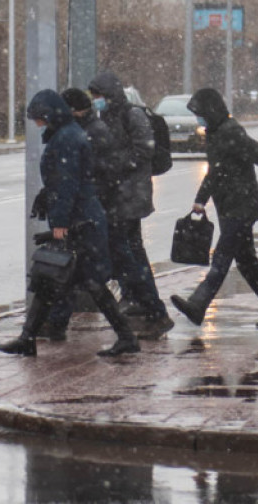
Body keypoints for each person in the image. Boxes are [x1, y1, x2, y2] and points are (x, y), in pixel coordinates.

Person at [0, 90, 139, 357]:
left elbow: (67, 182)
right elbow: (63, 180)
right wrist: (47, 199)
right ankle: (28, 338)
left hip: (79, 222)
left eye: (39, 118)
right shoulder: (68, 134)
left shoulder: (66, 139)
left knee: (82, 281)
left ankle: (126, 337)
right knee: (53, 278)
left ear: (51, 115)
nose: (37, 123)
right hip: (82, 218)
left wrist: (60, 220)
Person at [170, 87, 258, 328]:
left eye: (199, 113)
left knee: (222, 258)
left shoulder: (231, 132)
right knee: (247, 263)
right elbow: (215, 171)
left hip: (241, 206)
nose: (197, 118)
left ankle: (198, 304)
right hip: (229, 206)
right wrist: (200, 199)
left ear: (211, 110)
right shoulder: (215, 132)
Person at [86, 73, 173, 334]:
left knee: (127, 253)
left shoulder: (132, 115)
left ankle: (149, 305)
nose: (96, 101)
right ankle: (140, 301)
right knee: (131, 251)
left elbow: (143, 150)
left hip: (129, 195)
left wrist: (115, 165)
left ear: (110, 94)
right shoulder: (107, 117)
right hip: (116, 194)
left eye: (99, 96)